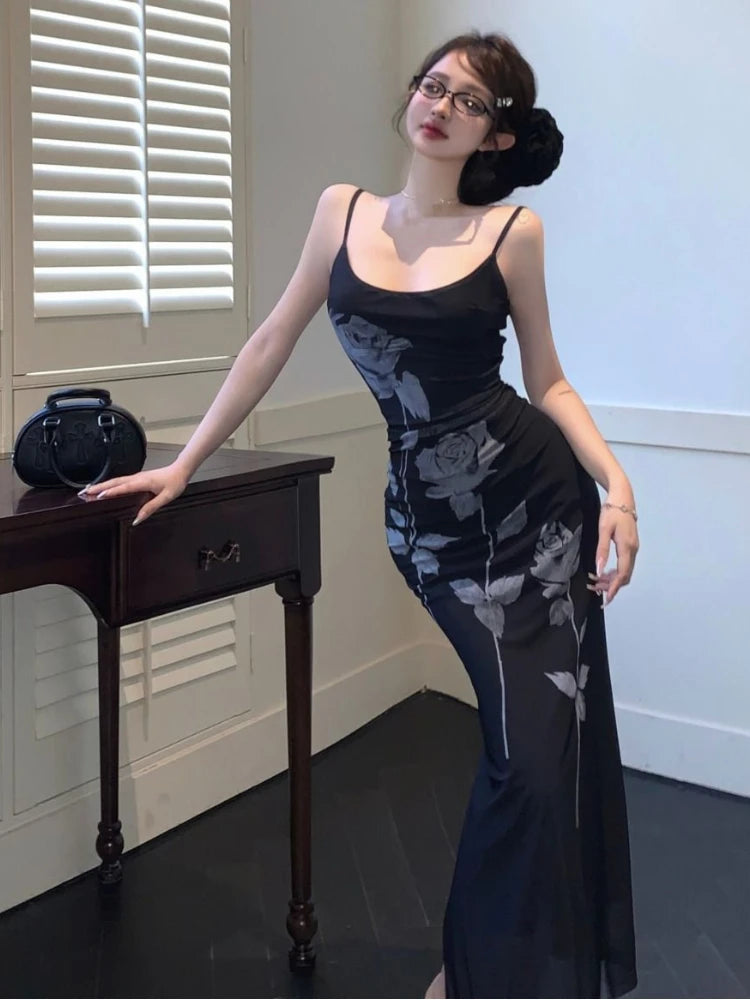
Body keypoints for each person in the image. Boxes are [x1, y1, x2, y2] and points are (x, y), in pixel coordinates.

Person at [81, 29, 639, 1000]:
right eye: (435, 84)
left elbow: (547, 381)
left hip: (540, 508)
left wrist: (617, 487)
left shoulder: (513, 234)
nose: (441, 105)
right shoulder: (341, 212)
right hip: (431, 531)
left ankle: (473, 976)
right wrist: (184, 463)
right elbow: (269, 338)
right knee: (526, 758)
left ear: (496, 135)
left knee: (541, 760)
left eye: (470, 100)